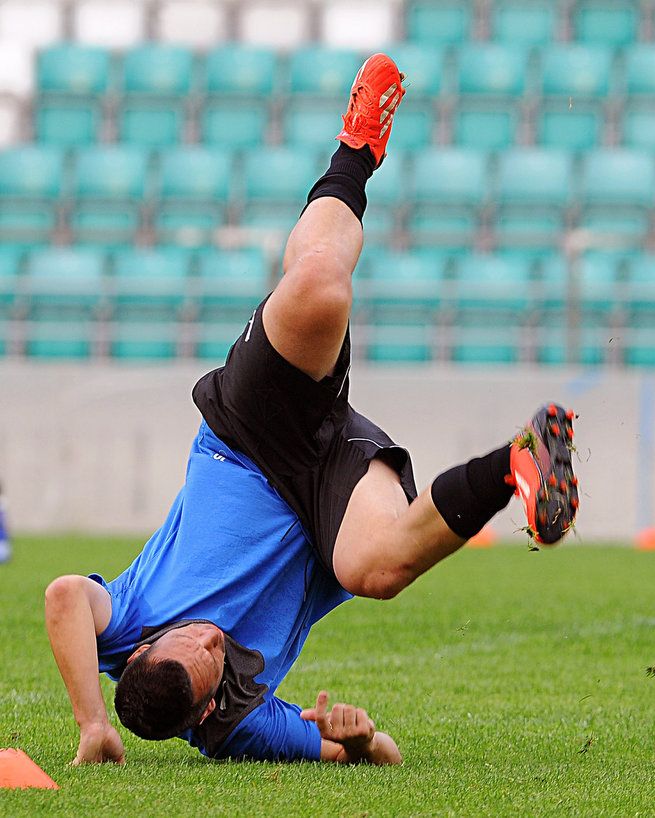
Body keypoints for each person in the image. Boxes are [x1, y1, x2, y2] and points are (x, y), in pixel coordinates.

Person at [44, 53, 579, 767]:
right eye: (212, 661)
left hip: (245, 436)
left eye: (190, 639)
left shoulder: (124, 627)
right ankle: (520, 460)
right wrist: (359, 739)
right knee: (374, 572)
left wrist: (90, 724)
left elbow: (61, 597)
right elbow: (374, 755)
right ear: (207, 707)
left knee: (322, 283)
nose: (212, 638)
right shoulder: (234, 724)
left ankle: (355, 151)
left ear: (142, 646)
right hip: (325, 500)